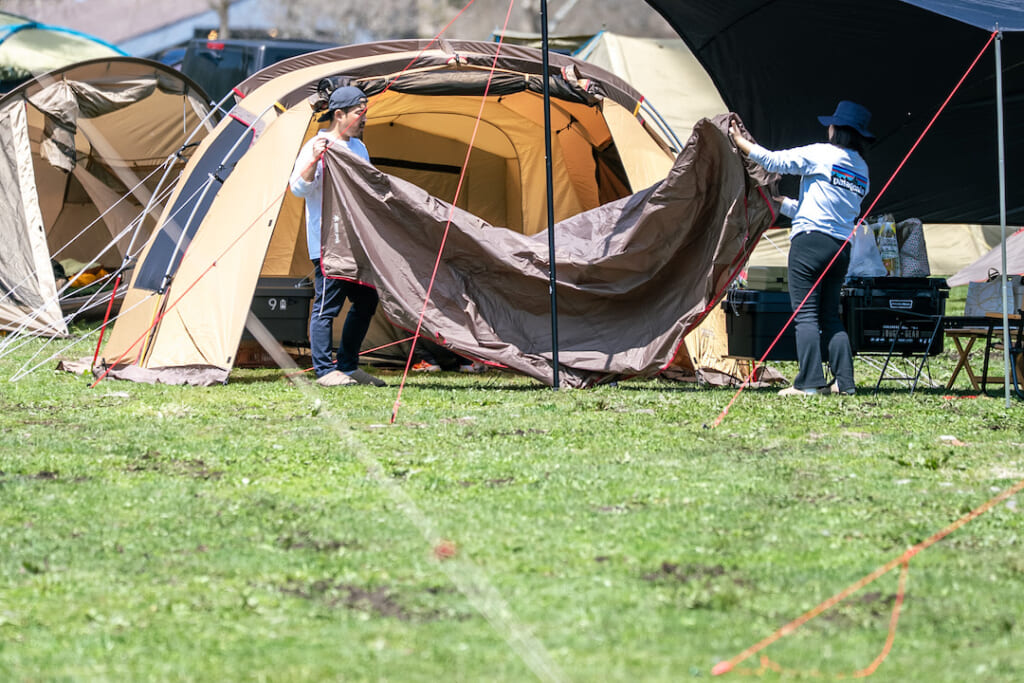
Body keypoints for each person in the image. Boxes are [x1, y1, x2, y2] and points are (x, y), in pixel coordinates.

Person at [730, 100, 874, 396]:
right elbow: (826, 210)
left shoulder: (821, 153)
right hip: (841, 249)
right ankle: (844, 383)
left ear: (837, 129)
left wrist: (740, 142)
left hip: (809, 243)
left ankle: (809, 383)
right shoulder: (862, 169)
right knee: (830, 316)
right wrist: (784, 204)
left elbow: (773, 162)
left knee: (805, 314)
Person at [290, 85, 386, 388]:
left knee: (367, 300)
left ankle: (348, 366)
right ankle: (323, 370)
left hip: (355, 241)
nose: (364, 118)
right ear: (340, 114)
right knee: (326, 306)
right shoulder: (316, 145)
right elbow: (298, 188)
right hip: (327, 242)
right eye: (360, 112)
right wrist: (314, 160)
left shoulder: (359, 148)